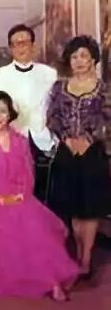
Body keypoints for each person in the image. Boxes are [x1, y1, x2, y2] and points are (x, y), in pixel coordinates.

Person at [0, 91, 79, 301]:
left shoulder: (21, 141)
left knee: (37, 229)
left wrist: (20, 195)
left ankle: (51, 282)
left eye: (2, 111)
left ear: (10, 114)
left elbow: (29, 173)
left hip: (18, 196)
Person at [46, 35, 111, 277]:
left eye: (84, 56)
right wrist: (66, 138)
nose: (79, 61)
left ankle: (86, 257)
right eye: (74, 57)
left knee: (90, 208)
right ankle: (77, 252)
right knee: (72, 205)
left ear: (93, 59)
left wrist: (88, 140)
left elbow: (108, 119)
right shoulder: (59, 87)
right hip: (67, 152)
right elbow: (52, 117)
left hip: (93, 153)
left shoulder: (104, 89)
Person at [0, 24, 58, 202]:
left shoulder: (49, 73)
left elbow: (56, 107)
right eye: (16, 44)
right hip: (11, 140)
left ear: (33, 45)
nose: (21, 47)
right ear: (11, 48)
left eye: (24, 42)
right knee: (15, 193)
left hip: (43, 138)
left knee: (43, 194)